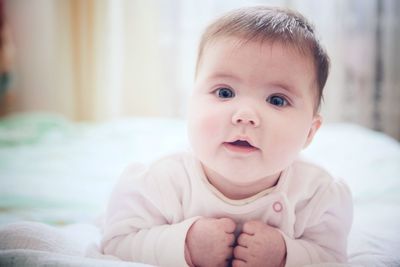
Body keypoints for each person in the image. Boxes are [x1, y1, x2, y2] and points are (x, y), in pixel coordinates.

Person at [100, 6, 353, 267]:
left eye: (276, 100)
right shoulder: (160, 182)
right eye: (224, 93)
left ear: (310, 133)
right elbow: (117, 243)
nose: (245, 115)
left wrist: (284, 254)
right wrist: (184, 244)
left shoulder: (317, 196)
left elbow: (331, 257)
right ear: (190, 105)